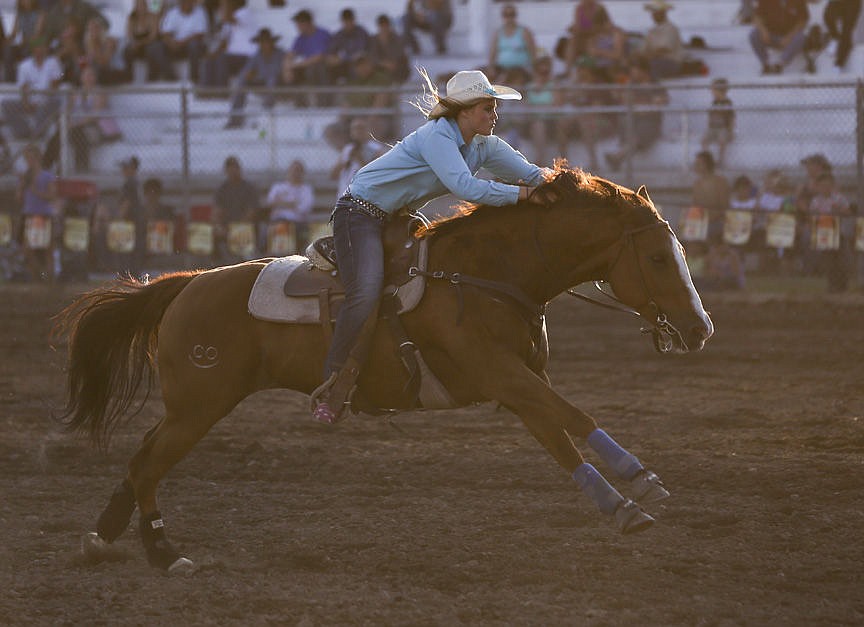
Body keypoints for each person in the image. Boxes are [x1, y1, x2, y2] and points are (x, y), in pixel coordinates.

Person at [312, 68, 554, 424]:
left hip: (396, 217)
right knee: (364, 291)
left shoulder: (484, 145)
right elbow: (467, 188)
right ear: (465, 111)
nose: (495, 115)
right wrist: (525, 196)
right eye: (488, 108)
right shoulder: (437, 136)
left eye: (494, 107)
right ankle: (333, 383)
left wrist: (570, 188)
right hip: (359, 214)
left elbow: (534, 175)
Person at [603, 60, 668, 172]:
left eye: (635, 70)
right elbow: (625, 100)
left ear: (644, 71)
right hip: (634, 120)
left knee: (642, 130)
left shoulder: (655, 84)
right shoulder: (631, 84)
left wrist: (642, 104)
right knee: (625, 121)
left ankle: (617, 157)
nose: (632, 73)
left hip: (650, 122)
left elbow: (660, 101)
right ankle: (617, 156)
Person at [1, 37, 62, 140]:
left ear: (46, 49)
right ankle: (23, 133)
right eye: (36, 48)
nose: (39, 50)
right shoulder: (24, 65)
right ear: (33, 50)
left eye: (41, 47)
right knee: (6, 104)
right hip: (31, 101)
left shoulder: (53, 62)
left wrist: (41, 101)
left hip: (48, 100)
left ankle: (38, 133)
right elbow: (23, 88)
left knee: (53, 102)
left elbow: (55, 84)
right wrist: (26, 103)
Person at [224, 27, 284, 129]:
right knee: (241, 82)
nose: (263, 45)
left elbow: (275, 72)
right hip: (261, 83)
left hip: (279, 84)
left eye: (266, 42)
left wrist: (256, 75)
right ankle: (236, 118)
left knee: (272, 80)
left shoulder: (280, 54)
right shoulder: (257, 55)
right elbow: (246, 71)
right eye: (261, 42)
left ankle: (266, 113)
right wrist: (247, 75)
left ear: (272, 42)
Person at [16, 143, 57, 281]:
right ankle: (37, 277)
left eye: (30, 158)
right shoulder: (26, 177)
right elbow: (19, 198)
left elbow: (52, 196)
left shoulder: (46, 176)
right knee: (28, 249)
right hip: (29, 214)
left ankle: (50, 278)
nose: (28, 162)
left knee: (46, 248)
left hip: (42, 215)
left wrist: (36, 191)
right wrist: (22, 186)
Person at [198, 0, 256, 89]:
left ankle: (221, 92)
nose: (222, 7)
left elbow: (226, 17)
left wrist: (224, 2)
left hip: (246, 57)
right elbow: (224, 43)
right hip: (231, 57)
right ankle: (206, 92)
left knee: (222, 58)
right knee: (208, 60)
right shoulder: (228, 22)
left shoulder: (245, 12)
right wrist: (212, 55)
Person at [213, 155, 259, 261]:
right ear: (226, 171)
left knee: (242, 233)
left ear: (239, 169)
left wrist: (236, 228)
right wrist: (219, 226)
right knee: (213, 233)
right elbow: (217, 212)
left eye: (235, 169)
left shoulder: (249, 188)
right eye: (230, 170)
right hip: (227, 227)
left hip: (245, 226)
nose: (233, 172)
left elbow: (252, 212)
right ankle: (216, 264)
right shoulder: (222, 189)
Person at [149, 0, 208, 82]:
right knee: (155, 47)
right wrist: (171, 42)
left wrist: (181, 43)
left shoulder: (200, 12)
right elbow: (165, 33)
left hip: (190, 46)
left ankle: (194, 80)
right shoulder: (173, 12)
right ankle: (170, 77)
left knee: (194, 45)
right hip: (175, 46)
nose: (187, 3)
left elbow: (199, 35)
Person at [330, 117, 387, 201]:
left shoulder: (376, 149)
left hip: (365, 197)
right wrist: (344, 162)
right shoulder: (348, 149)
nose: (358, 132)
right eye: (354, 128)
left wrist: (359, 159)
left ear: (368, 130)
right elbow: (333, 175)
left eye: (361, 128)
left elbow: (377, 175)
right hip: (345, 196)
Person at [281, 9, 331, 105]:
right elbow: (290, 55)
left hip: (324, 66)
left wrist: (295, 65)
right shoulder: (301, 38)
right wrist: (286, 68)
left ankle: (323, 103)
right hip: (307, 66)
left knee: (314, 68)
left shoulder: (322, 34)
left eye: (299, 23)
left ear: (307, 23)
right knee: (292, 71)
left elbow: (319, 57)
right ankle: (299, 103)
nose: (297, 26)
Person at [265, 159, 314, 252]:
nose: (295, 173)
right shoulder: (278, 187)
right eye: (293, 170)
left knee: (296, 230)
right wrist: (291, 204)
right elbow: (270, 204)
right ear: (289, 171)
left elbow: (304, 209)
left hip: (297, 223)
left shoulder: (306, 189)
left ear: (302, 173)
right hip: (277, 221)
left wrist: (281, 203)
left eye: (298, 170)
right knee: (267, 229)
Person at [749, 0, 808, 74]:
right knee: (754, 34)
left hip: (789, 36)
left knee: (801, 37)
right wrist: (763, 31)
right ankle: (765, 64)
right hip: (770, 35)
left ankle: (780, 64)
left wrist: (789, 37)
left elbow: (803, 21)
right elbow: (757, 17)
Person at [487, 3, 537, 82]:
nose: (509, 17)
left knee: (510, 77)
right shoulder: (498, 33)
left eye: (512, 14)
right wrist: (491, 68)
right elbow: (492, 53)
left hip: (520, 68)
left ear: (515, 15)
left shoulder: (524, 32)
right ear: (502, 16)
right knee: (482, 74)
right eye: (506, 15)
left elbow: (533, 53)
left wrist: (534, 70)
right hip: (501, 68)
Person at [690, 151, 730, 243]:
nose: (695, 166)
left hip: (718, 222)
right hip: (701, 222)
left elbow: (724, 206)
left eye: (699, 163)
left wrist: (709, 219)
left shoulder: (720, 182)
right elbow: (695, 206)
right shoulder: (697, 184)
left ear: (707, 164)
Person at [640, 0, 684, 80]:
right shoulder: (651, 31)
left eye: (656, 12)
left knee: (654, 64)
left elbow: (664, 49)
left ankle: (655, 88)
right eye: (653, 12)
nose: (653, 15)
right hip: (654, 60)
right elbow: (644, 49)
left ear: (663, 13)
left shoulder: (671, 28)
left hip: (670, 62)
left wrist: (648, 56)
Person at [325, 8, 370, 84]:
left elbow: (359, 53)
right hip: (344, 64)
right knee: (328, 68)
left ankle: (357, 92)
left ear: (354, 20)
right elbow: (331, 53)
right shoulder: (339, 34)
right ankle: (331, 93)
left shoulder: (361, 32)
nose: (348, 23)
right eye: (345, 21)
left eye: (350, 21)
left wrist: (343, 58)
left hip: (360, 63)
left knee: (356, 67)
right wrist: (332, 58)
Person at [3, 0, 44, 84]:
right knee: (8, 50)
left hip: (35, 43)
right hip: (23, 43)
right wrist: (5, 40)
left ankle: (25, 81)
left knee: (27, 50)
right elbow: (14, 33)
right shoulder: (19, 14)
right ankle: (9, 82)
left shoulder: (40, 14)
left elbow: (37, 33)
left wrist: (26, 40)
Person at [560, 0, 610, 69]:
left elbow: (607, 25)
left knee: (589, 42)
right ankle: (567, 70)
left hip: (596, 35)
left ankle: (592, 69)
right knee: (572, 42)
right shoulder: (579, 8)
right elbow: (577, 26)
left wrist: (593, 30)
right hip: (583, 35)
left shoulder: (600, 8)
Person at [700, 78, 735, 167]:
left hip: (723, 128)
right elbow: (710, 116)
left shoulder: (727, 102)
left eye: (713, 90)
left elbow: (731, 118)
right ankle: (707, 160)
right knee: (704, 140)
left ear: (721, 91)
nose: (712, 92)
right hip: (713, 127)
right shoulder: (714, 102)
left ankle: (720, 160)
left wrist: (731, 131)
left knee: (721, 141)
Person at [122, 0, 160, 81]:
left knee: (151, 50)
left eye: (142, 5)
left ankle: (152, 77)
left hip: (148, 44)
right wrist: (134, 43)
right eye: (138, 5)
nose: (141, 8)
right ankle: (128, 76)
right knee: (127, 50)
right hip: (137, 46)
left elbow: (153, 36)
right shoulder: (131, 18)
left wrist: (141, 43)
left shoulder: (152, 17)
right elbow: (129, 34)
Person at [368, 13, 409, 84]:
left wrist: (391, 63)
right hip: (379, 67)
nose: (384, 28)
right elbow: (372, 56)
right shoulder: (373, 39)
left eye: (385, 26)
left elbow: (399, 54)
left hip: (396, 66)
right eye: (382, 26)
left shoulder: (396, 38)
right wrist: (383, 63)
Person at [823, 0, 862, 72]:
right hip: (838, 2)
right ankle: (835, 37)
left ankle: (839, 64)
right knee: (828, 16)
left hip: (853, 3)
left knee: (846, 31)